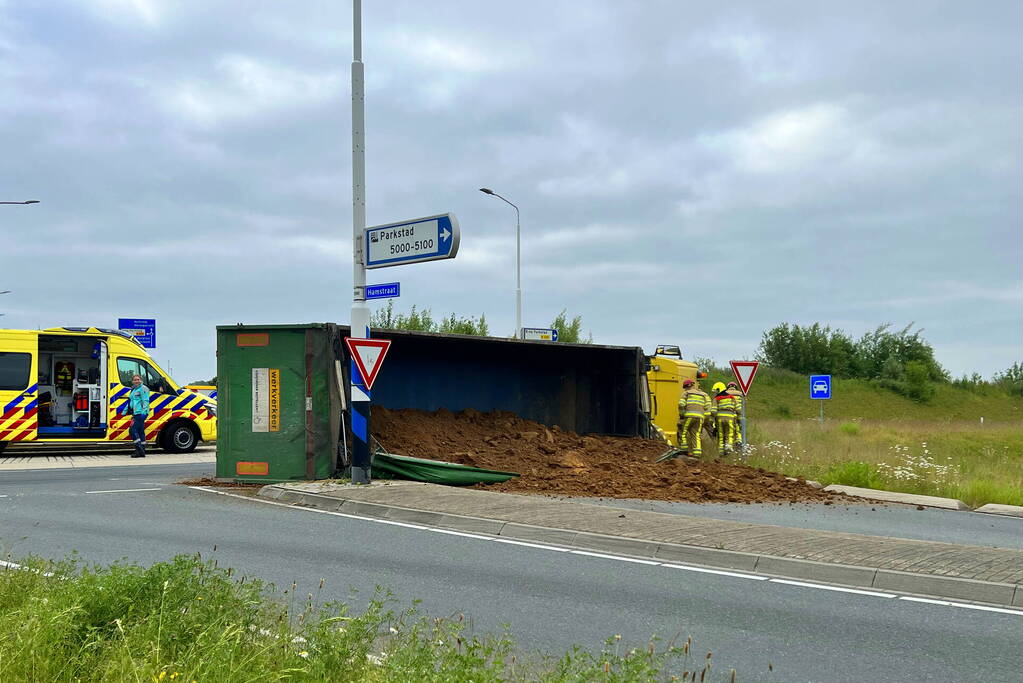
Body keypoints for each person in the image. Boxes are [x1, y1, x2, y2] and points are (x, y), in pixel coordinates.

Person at [676, 378, 710, 457]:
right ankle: (697, 454)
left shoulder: (686, 393)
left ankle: (684, 451)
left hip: (689, 416)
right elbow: (707, 406)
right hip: (700, 418)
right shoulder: (703, 394)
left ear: (686, 387)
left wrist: (682, 415)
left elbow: (681, 404)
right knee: (696, 434)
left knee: (683, 432)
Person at [128, 373, 150, 458]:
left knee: (132, 430)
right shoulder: (134, 389)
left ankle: (139, 450)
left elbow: (145, 401)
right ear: (132, 381)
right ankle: (142, 449)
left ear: (141, 380)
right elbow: (131, 401)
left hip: (140, 413)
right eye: (135, 380)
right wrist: (125, 411)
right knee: (140, 431)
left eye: (138, 379)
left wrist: (144, 412)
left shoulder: (143, 388)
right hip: (136, 413)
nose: (136, 381)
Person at [712, 381, 737, 456]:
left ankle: (721, 453)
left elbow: (713, 411)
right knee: (729, 434)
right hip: (730, 418)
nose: (715, 393)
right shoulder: (732, 397)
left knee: (721, 435)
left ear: (719, 390)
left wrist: (713, 419)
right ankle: (728, 448)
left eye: (716, 391)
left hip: (720, 419)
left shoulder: (716, 398)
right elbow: (736, 408)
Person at [726, 381, 745, 449]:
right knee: (738, 427)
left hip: (729, 414)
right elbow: (744, 403)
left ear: (728, 387)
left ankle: (729, 445)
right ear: (735, 387)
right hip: (738, 413)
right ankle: (739, 441)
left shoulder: (725, 393)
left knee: (729, 430)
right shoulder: (741, 393)